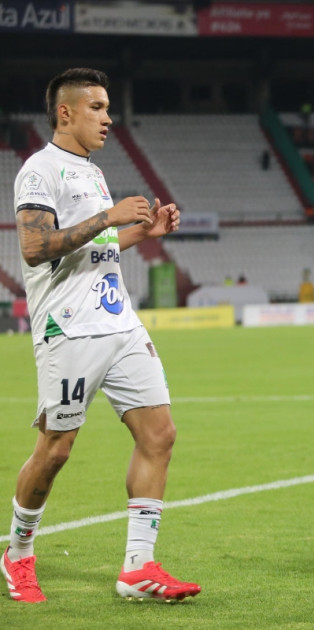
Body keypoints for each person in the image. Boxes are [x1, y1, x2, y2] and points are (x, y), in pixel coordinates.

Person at [3, 68, 200, 603]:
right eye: (97, 108)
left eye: (109, 108)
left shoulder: (91, 172)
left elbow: (95, 250)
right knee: (57, 449)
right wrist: (108, 215)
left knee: (159, 435)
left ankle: (138, 568)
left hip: (119, 325)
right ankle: (18, 553)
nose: (109, 118)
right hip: (68, 331)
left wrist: (141, 231)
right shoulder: (39, 170)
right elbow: (36, 247)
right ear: (65, 112)